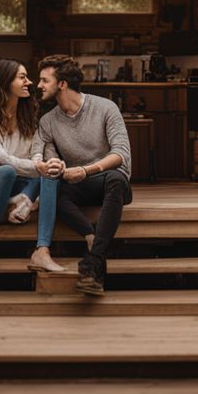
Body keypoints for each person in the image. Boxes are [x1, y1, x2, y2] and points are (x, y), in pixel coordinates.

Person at [36, 54, 132, 296]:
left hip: (106, 180)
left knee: (117, 179)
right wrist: (52, 165)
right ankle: (93, 240)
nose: (39, 86)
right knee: (52, 193)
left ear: (62, 84)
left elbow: (121, 153)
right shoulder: (48, 121)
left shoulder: (105, 108)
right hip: (76, 185)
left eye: (44, 80)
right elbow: (45, 156)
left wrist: (86, 170)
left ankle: (92, 261)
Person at [0, 59, 66, 275]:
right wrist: (37, 166)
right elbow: (0, 157)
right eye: (22, 77)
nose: (29, 82)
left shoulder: (27, 113)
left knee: (50, 174)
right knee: (6, 170)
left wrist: (47, 164)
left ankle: (42, 250)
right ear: (5, 81)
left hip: (20, 180)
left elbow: (35, 151)